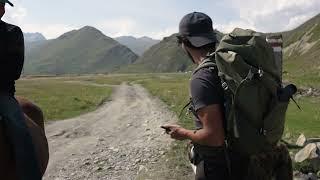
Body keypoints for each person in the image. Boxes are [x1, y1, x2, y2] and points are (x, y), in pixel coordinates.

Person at [162, 12, 230, 180]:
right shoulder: (226, 65)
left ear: (184, 43)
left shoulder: (202, 77)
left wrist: (183, 133)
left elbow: (214, 137)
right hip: (246, 158)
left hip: (219, 167)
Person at [0, 1, 48, 179]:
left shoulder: (12, 33)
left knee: (18, 127)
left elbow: (14, 69)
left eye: (1, 4)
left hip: (2, 93)